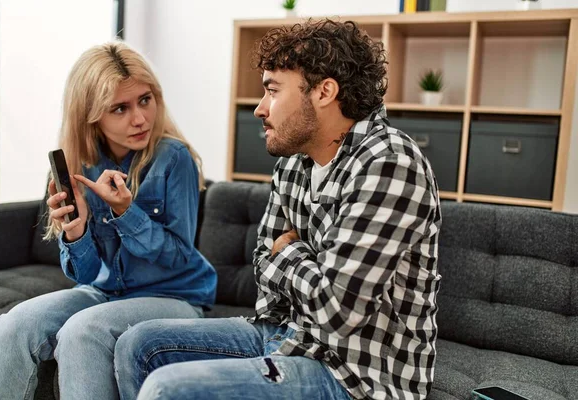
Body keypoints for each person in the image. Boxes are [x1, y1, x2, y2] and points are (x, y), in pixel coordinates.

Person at [115, 18, 442, 400]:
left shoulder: (390, 163)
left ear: (324, 92)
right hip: (286, 334)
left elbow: (337, 313)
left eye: (272, 91)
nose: (259, 108)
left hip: (355, 376)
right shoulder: (293, 162)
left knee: (167, 388)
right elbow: (261, 263)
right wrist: (301, 268)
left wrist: (287, 252)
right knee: (137, 345)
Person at [0, 41, 217, 400]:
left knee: (83, 331)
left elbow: (179, 257)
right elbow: (86, 275)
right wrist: (75, 234)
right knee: (15, 323)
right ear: (90, 115)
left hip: (174, 296)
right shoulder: (81, 165)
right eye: (120, 108)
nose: (140, 118)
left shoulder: (174, 158)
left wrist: (125, 212)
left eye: (145, 100)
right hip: (103, 291)